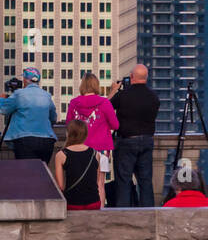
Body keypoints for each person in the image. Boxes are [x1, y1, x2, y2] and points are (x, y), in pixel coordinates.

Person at [112, 65, 160, 207]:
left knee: (124, 181)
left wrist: (114, 90)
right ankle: (148, 214)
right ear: (146, 78)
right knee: (145, 182)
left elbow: (106, 107)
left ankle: (124, 216)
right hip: (147, 141)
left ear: (131, 77)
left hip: (126, 141)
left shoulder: (123, 95)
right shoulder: (153, 97)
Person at [67, 72, 118, 201]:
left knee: (79, 182)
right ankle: (99, 214)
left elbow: (69, 125)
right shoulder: (104, 103)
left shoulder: (74, 103)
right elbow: (115, 125)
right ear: (96, 85)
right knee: (100, 183)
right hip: (101, 149)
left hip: (78, 148)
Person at [0, 66, 58, 163]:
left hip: (25, 140)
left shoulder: (19, 94)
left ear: (25, 80)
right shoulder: (46, 95)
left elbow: (3, 109)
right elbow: (53, 118)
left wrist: (2, 99)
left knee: (27, 174)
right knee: (42, 174)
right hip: (47, 141)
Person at [53, 118, 103, 210]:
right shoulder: (95, 153)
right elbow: (96, 180)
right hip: (93, 202)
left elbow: (60, 186)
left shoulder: (61, 155)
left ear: (68, 134)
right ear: (85, 134)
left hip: (73, 202)